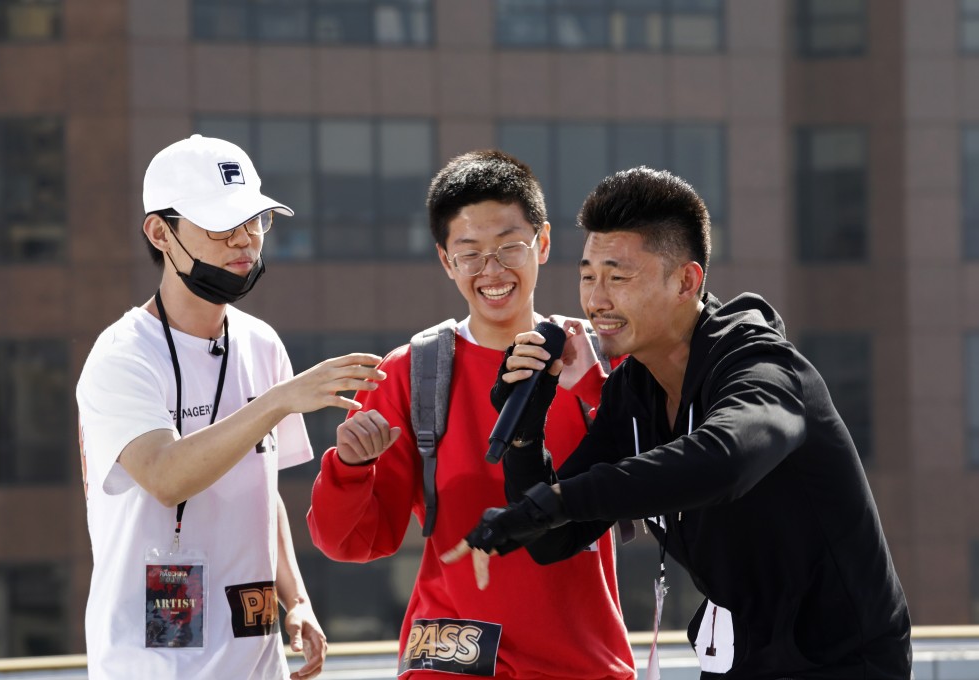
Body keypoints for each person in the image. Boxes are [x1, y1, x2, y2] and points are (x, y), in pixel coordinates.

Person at [444, 166, 913, 679]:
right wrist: (525, 436)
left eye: (619, 277)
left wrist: (557, 501)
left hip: (848, 664)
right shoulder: (634, 390)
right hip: (742, 662)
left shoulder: (762, 367)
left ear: (687, 280)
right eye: (587, 277)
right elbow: (555, 540)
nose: (597, 300)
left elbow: (726, 459)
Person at [305, 150, 635, 679]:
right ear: (445, 261)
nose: (492, 271)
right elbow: (353, 542)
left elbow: (666, 468)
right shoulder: (412, 372)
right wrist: (348, 467)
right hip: (451, 659)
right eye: (471, 254)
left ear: (543, 244)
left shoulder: (601, 356)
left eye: (509, 248)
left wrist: (595, 386)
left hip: (582, 660)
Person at [77, 134, 386, 679]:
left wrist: (297, 599)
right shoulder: (121, 354)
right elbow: (164, 476)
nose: (246, 241)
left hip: (256, 661)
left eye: (256, 221)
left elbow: (261, 493)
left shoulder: (261, 343)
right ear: (159, 231)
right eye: (222, 226)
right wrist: (278, 401)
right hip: (149, 665)